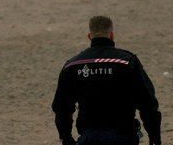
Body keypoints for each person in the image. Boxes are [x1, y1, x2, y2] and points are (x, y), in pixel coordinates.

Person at [52, 16, 161, 145]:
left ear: (89, 36)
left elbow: (62, 107)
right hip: (123, 136)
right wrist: (154, 138)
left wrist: (66, 138)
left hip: (89, 137)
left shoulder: (73, 65)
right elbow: (148, 103)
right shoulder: (127, 62)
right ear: (112, 35)